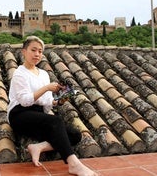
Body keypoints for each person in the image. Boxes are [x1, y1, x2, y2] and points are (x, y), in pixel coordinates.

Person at [7, 36, 97, 176]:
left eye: (40, 51)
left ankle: (38, 147)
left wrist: (60, 100)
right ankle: (74, 164)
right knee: (56, 121)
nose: (37, 54)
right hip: (19, 115)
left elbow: (47, 102)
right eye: (33, 50)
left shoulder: (43, 74)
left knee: (75, 135)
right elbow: (25, 101)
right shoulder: (19, 74)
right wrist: (47, 88)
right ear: (24, 51)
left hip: (38, 114)